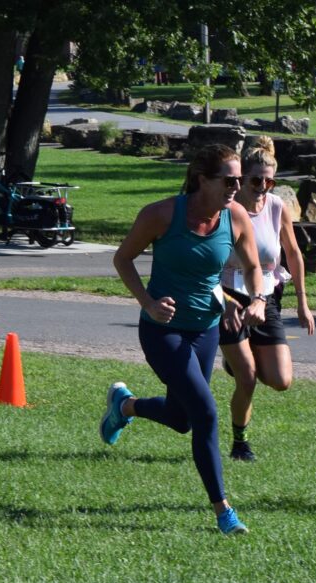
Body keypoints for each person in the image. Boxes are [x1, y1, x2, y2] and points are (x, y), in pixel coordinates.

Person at [99, 144, 266, 536]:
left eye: (239, 180)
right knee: (206, 413)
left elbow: (254, 266)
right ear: (202, 179)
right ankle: (224, 510)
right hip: (162, 331)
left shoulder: (236, 216)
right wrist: (148, 302)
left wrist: (257, 298)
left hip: (206, 329)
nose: (236, 187)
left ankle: (126, 406)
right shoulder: (161, 214)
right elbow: (122, 258)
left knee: (181, 418)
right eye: (229, 180)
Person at [219, 136, 315, 462]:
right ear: (242, 178)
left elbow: (293, 254)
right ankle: (239, 443)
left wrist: (302, 301)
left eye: (269, 180)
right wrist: (227, 300)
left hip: (267, 297)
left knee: (280, 379)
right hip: (229, 297)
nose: (262, 186)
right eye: (256, 179)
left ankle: (236, 359)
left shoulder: (276, 207)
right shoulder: (226, 211)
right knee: (247, 377)